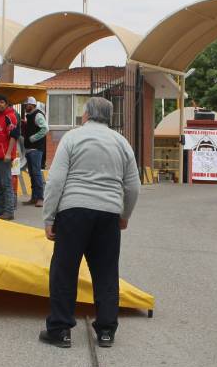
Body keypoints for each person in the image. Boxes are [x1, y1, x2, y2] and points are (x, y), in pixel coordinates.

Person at [39, 97, 141, 350]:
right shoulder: (122, 142)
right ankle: (106, 330)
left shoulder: (73, 138)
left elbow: (55, 180)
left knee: (65, 270)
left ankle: (60, 329)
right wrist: (124, 214)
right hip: (108, 213)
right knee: (106, 271)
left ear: (85, 115)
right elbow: (132, 185)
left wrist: (49, 217)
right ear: (109, 117)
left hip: (73, 211)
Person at [22, 96, 48, 206]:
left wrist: (33, 138)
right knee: (32, 174)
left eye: (27, 104)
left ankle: (40, 198)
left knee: (36, 174)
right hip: (29, 149)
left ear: (32, 105)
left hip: (36, 149)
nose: (25, 106)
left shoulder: (37, 115)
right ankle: (34, 197)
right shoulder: (30, 116)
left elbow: (45, 128)